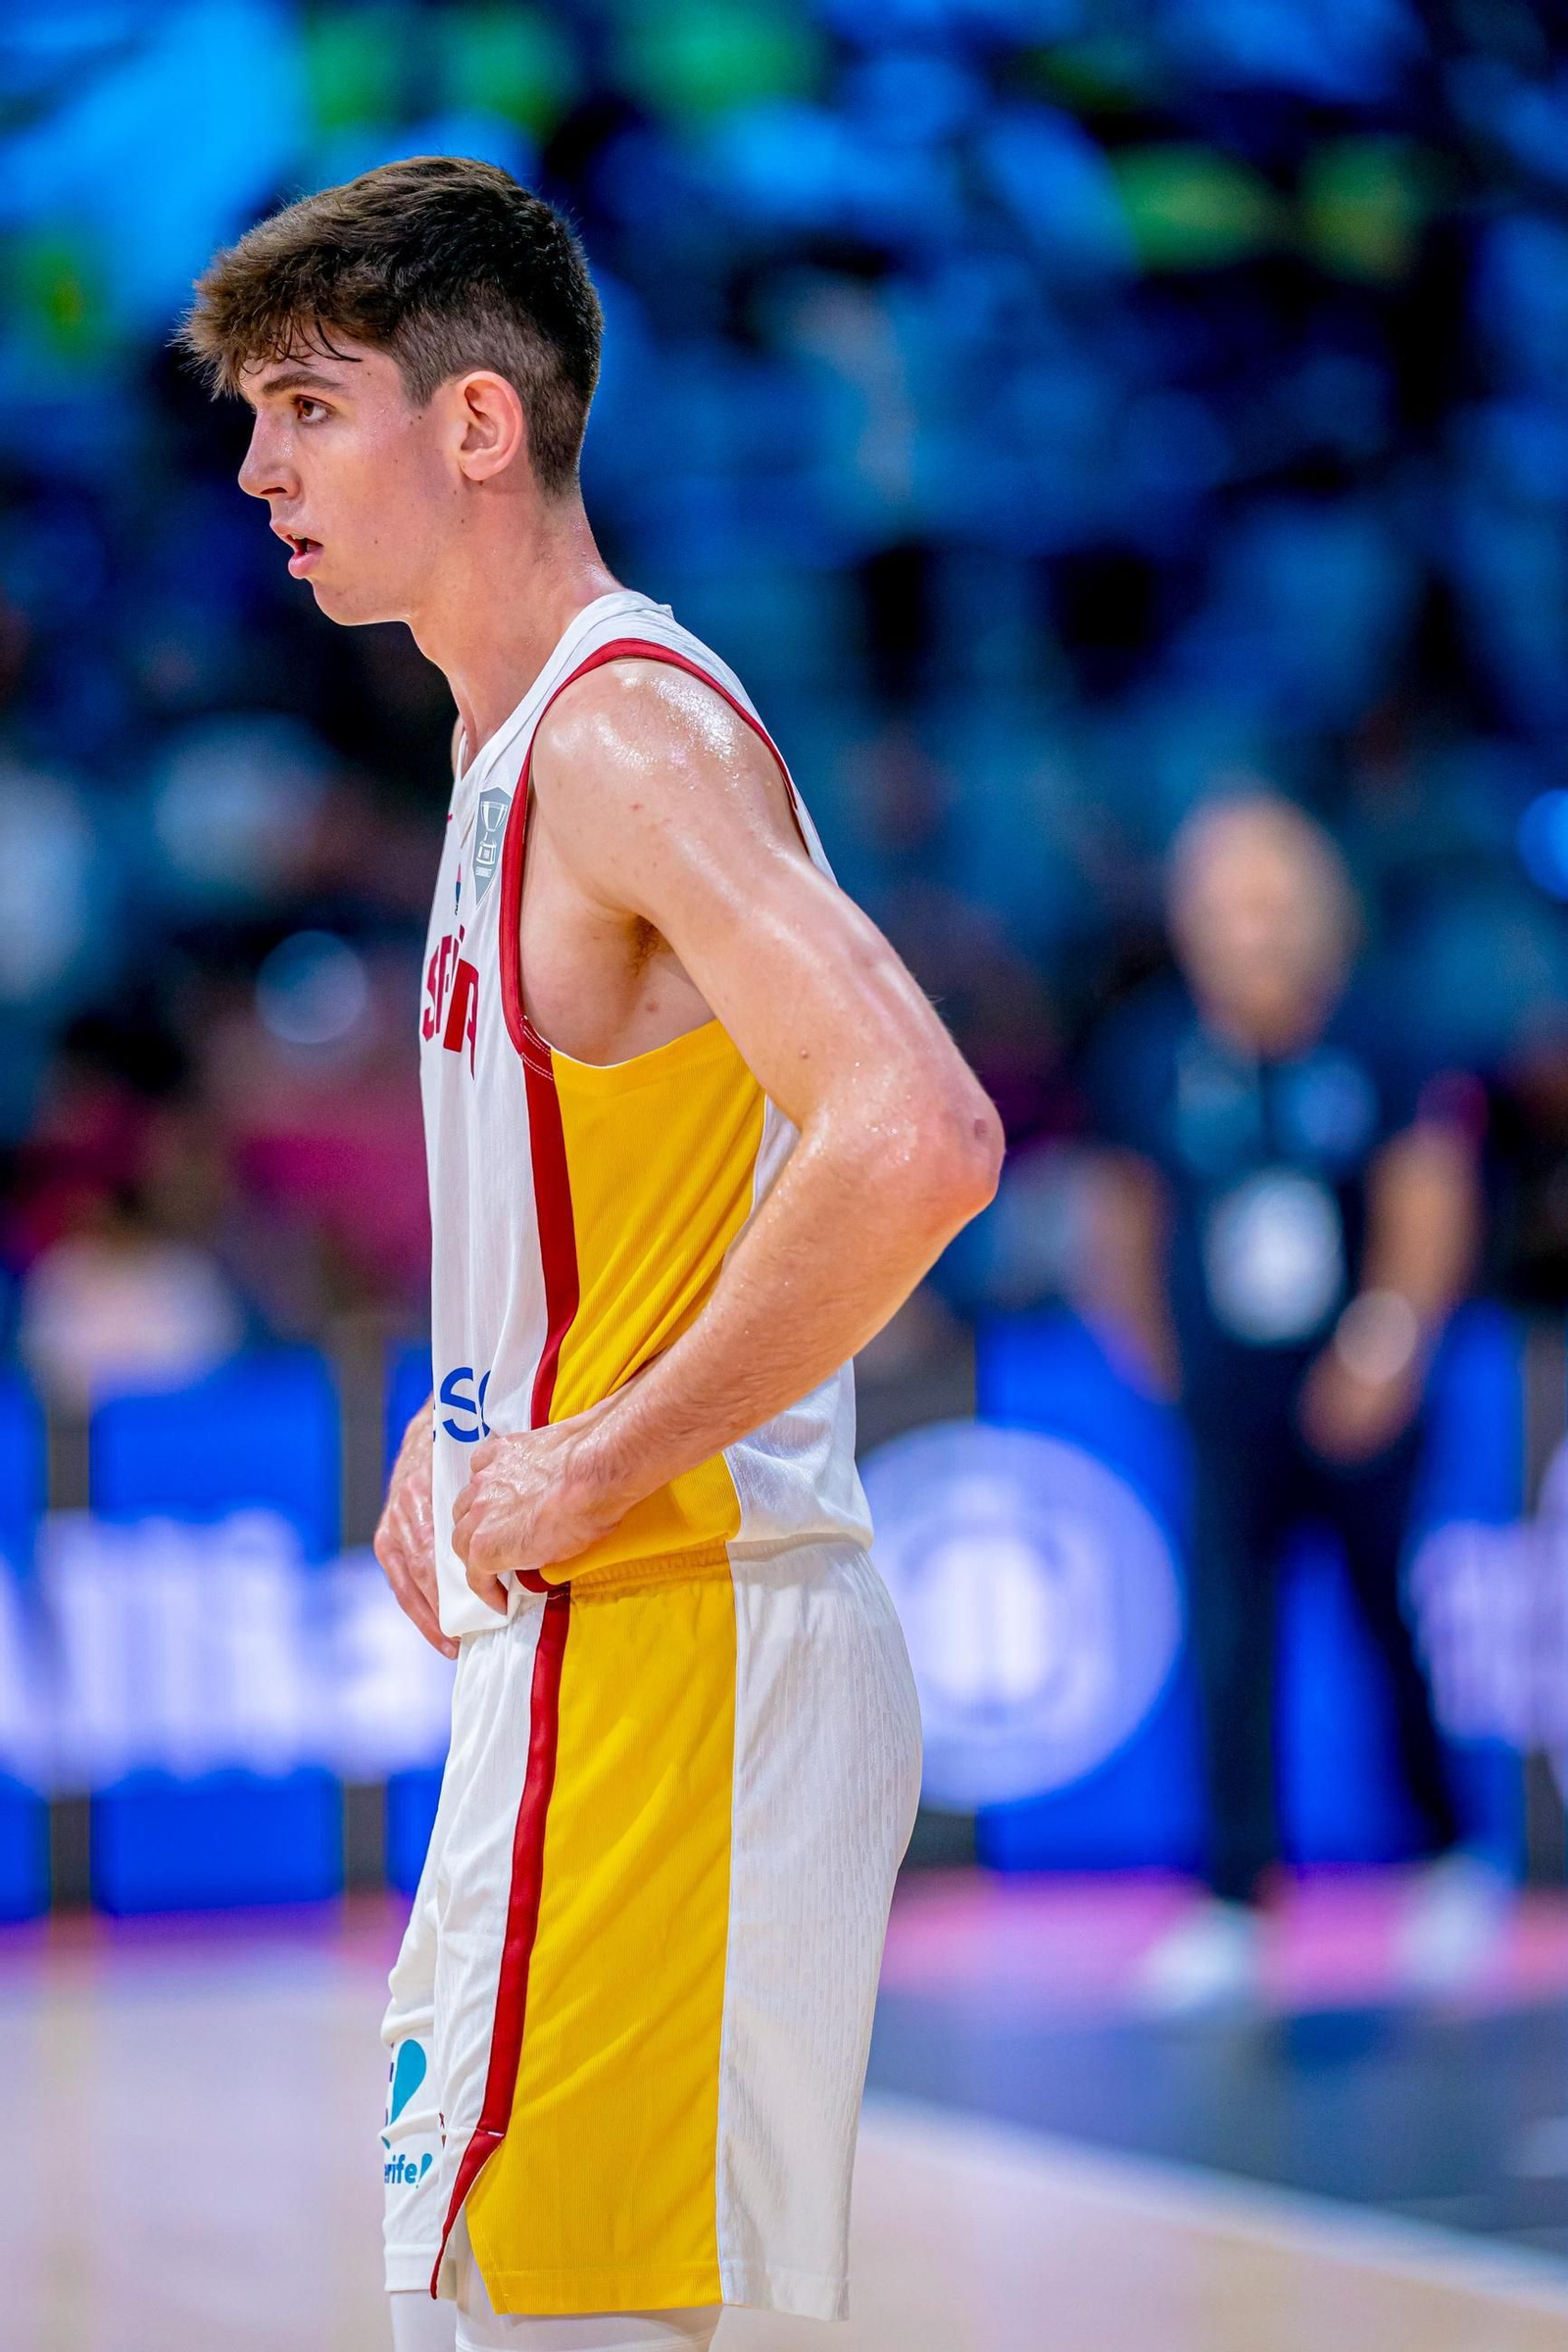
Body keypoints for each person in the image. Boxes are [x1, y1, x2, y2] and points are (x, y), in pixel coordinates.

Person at [182, 157, 1002, 2352]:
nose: (256, 464)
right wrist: (466, 1432)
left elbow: (916, 1133)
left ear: (474, 421)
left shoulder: (624, 735)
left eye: (304, 405)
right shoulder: (498, 746)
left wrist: (589, 1453)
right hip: (587, 1649)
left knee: (554, 2323)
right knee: (487, 2305)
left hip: (685, 1647)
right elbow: (611, 1197)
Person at [1087, 794, 1503, 2011]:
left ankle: (1445, 1859)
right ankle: (1232, 1900)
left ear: (1317, 915)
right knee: (1227, 1637)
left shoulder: (1378, 1041)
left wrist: (1384, 1349)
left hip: (1360, 1396)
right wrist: (1163, 1365)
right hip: (1228, 1410)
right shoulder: (1150, 1053)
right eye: (1224, 908)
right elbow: (1118, 1223)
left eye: (1271, 906)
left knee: (1387, 1619)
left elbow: (1431, 1198)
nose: (1250, 934)